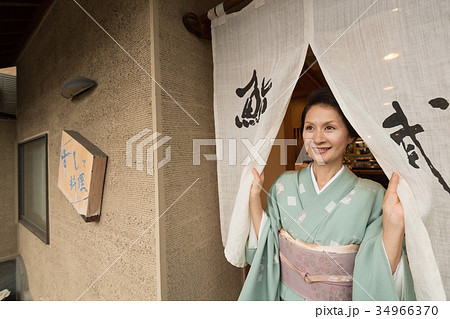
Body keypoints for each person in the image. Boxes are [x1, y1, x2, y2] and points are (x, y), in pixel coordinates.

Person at [239, 88, 416, 301]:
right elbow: (268, 244)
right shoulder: (284, 184)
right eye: (310, 128)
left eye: (329, 127)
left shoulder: (373, 196)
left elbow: (378, 272)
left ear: (351, 135)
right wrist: (253, 200)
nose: (318, 138)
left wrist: (395, 225)